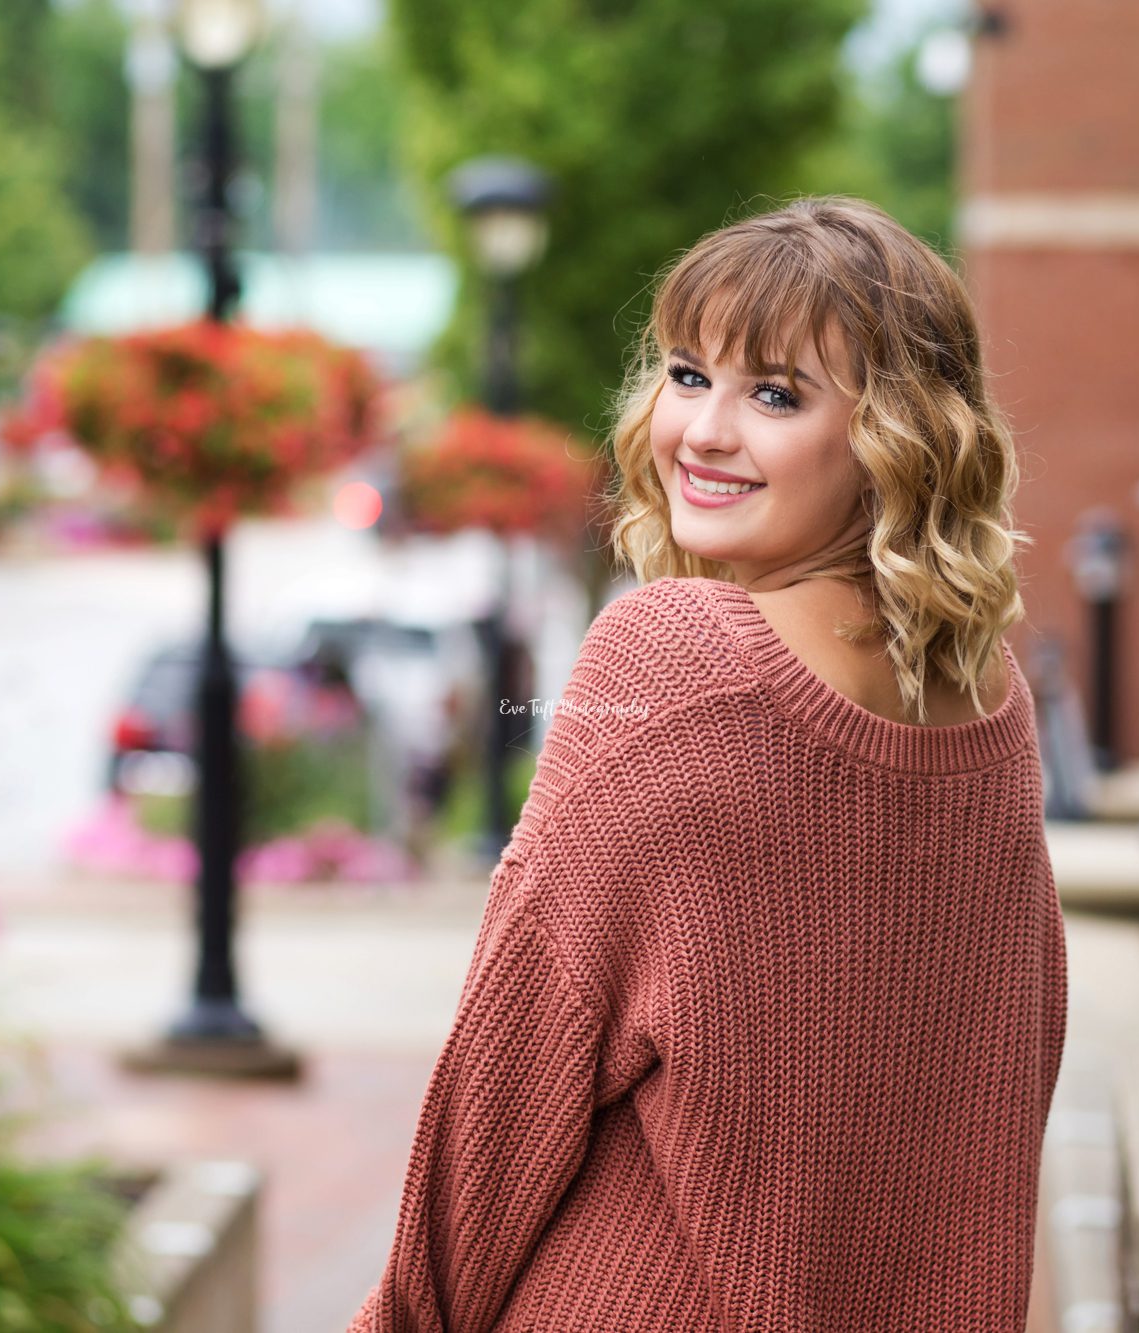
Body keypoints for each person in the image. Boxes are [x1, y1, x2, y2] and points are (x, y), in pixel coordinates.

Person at [347, 195, 1067, 1332]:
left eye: (774, 394)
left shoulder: (673, 658)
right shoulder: (987, 707)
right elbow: (1006, 1085)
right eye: (688, 374)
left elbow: (510, 1074)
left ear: (899, 436)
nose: (703, 431)